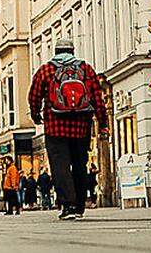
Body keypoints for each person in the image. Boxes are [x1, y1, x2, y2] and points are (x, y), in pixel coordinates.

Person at [28, 38, 109, 221]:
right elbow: (98, 97)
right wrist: (103, 122)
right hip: (81, 126)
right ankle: (80, 206)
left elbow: (34, 94)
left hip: (55, 127)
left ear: (56, 51)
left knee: (60, 167)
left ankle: (67, 205)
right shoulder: (86, 69)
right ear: (72, 50)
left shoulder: (46, 69)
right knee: (80, 166)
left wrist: (35, 114)